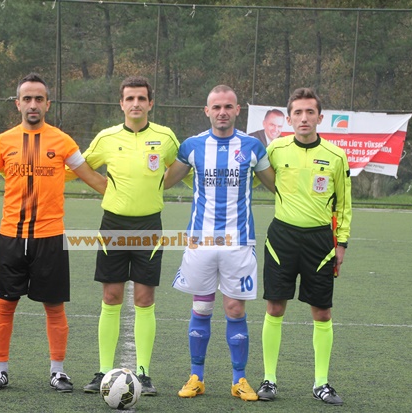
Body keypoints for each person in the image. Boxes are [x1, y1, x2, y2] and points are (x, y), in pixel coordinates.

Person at [0, 73, 107, 392]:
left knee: (54, 307)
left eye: (39, 99)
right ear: (17, 104)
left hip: (51, 238)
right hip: (11, 237)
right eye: (27, 99)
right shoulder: (2, 142)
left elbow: (91, 177)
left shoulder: (63, 141)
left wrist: (129, 197)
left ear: (48, 104)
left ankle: (58, 371)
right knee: (4, 305)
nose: (33, 104)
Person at [163, 85, 275, 401]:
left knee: (235, 308)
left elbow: (277, 185)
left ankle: (239, 380)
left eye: (228, 106)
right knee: (201, 306)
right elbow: (164, 181)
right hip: (201, 240)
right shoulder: (192, 146)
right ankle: (196, 377)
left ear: (238, 110)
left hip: (238, 241)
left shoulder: (253, 147)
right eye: (216, 107)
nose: (222, 112)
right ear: (207, 111)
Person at [79, 76, 182, 397]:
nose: (135, 103)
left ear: (150, 103)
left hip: (149, 226)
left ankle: (144, 373)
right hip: (113, 225)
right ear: (121, 104)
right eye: (130, 98)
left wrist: (159, 186)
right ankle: (103, 371)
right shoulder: (107, 137)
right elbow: (81, 165)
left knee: (144, 299)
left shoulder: (165, 137)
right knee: (111, 297)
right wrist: (104, 187)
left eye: (141, 98)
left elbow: (180, 166)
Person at [257, 87, 352, 405]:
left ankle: (321, 383)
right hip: (281, 239)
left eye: (310, 112)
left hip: (320, 243)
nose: (304, 118)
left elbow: (344, 204)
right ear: (289, 118)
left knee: (322, 312)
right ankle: (269, 379)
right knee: (275, 307)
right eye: (297, 112)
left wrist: (342, 243)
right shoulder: (276, 149)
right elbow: (255, 177)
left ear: (320, 118)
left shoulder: (336, 156)